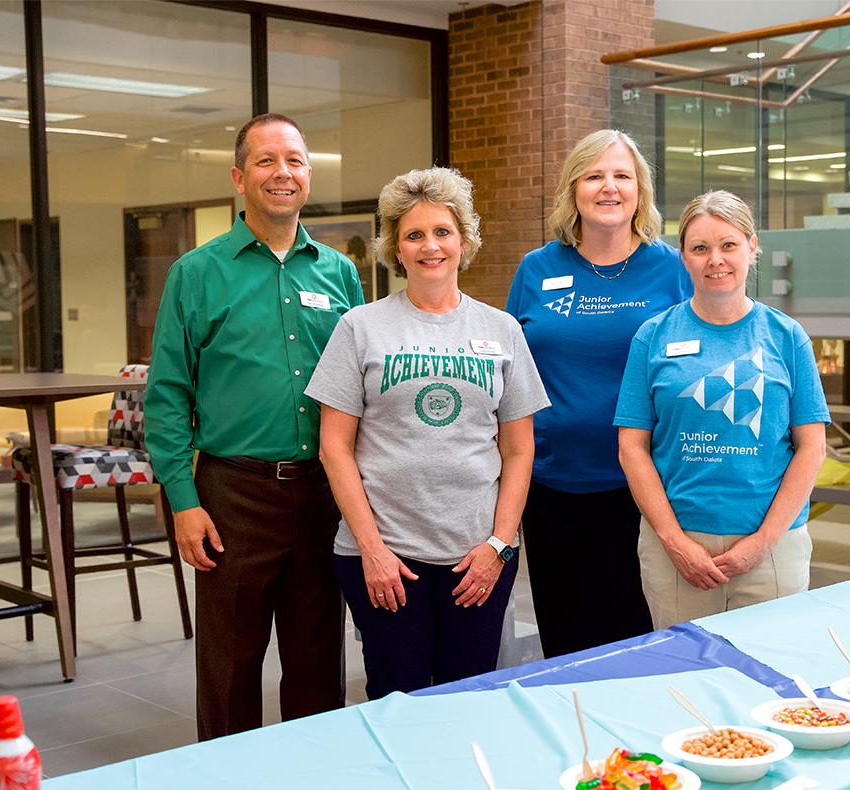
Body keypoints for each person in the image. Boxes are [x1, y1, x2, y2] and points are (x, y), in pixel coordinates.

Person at [146, 113, 365, 741]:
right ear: (240, 178)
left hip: (323, 492)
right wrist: (184, 503)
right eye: (266, 161)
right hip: (233, 495)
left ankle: (310, 774)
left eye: (294, 160)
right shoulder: (196, 272)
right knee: (230, 665)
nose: (282, 173)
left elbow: (357, 385)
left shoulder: (338, 272)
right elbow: (166, 397)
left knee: (318, 660)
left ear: (308, 174)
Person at [306, 167, 550, 699]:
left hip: (477, 554)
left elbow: (520, 448)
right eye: (414, 234)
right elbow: (334, 447)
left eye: (442, 232)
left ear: (463, 241)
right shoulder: (359, 327)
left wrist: (500, 545)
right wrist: (372, 550)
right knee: (396, 695)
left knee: (468, 695)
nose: (430, 246)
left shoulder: (502, 330)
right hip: (385, 555)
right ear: (395, 246)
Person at [505, 129, 692, 657]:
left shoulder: (672, 268)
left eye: (621, 176)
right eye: (594, 176)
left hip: (645, 489)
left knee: (641, 637)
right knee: (566, 640)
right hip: (551, 488)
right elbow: (511, 374)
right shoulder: (537, 268)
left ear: (640, 190)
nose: (608, 187)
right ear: (573, 189)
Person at [615, 190, 829, 629]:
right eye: (700, 248)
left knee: (772, 680)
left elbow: (812, 449)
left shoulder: (788, 337)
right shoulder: (652, 337)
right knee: (684, 676)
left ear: (752, 247)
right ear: (684, 258)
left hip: (773, 545)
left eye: (728, 245)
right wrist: (674, 542)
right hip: (676, 547)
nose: (716, 259)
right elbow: (631, 448)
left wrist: (764, 541)